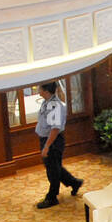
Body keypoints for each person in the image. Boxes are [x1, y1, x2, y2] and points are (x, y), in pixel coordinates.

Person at [34, 81, 82, 209]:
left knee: (52, 171)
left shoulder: (54, 105)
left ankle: (52, 197)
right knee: (54, 167)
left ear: (45, 90)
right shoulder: (47, 102)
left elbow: (55, 129)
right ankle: (74, 182)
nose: (38, 88)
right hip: (47, 139)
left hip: (53, 141)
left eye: (40, 87)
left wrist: (47, 146)